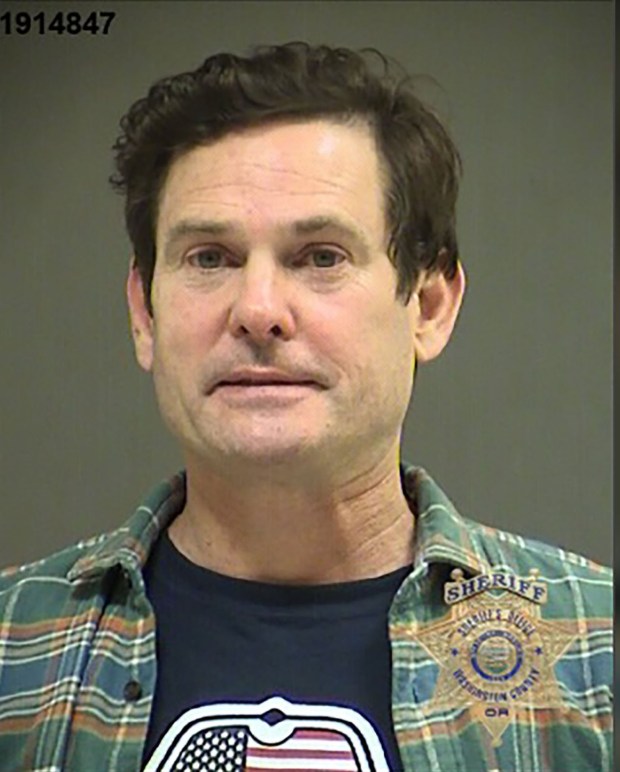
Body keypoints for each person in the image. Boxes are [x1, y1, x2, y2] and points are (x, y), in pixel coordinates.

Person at [0, 42, 611, 772]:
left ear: (428, 304)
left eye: (321, 256)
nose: (258, 311)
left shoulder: (596, 651)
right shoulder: (13, 648)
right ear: (144, 312)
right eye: (209, 258)